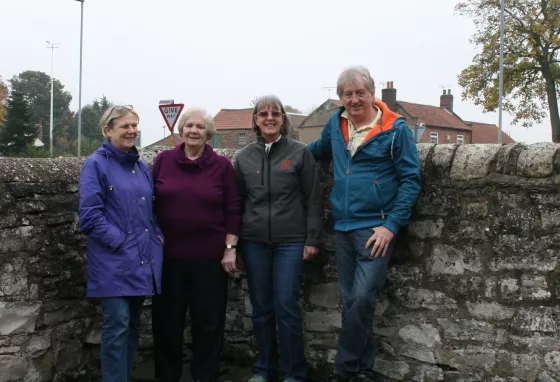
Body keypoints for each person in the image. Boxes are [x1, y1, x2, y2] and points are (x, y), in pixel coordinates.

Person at [308, 66, 422, 382]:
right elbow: (315, 152)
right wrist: (280, 157)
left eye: (360, 93)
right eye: (348, 94)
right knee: (352, 304)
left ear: (372, 93)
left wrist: (391, 226)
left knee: (360, 299)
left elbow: (411, 179)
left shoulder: (395, 129)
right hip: (343, 227)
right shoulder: (336, 123)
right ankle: (364, 370)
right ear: (340, 98)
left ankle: (343, 372)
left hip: (376, 229)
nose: (355, 99)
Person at [234, 95, 323, 382]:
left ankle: (294, 373)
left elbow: (313, 198)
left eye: (275, 113)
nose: (269, 118)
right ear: (256, 120)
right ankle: (264, 369)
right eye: (263, 114)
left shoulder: (300, 153)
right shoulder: (243, 157)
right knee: (261, 308)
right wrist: (233, 246)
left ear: (283, 119)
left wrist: (312, 239)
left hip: (291, 241)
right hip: (254, 242)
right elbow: (236, 203)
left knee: (286, 305)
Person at [151, 107, 241, 382]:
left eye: (200, 127)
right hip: (168, 258)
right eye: (189, 126)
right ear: (181, 131)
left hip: (210, 259)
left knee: (208, 324)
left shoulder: (222, 166)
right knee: (167, 324)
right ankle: (168, 376)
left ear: (209, 133)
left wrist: (230, 249)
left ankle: (205, 376)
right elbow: (148, 202)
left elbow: (234, 208)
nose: (193, 131)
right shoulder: (163, 160)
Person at [78, 105, 164, 382]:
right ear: (107, 130)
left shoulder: (140, 166)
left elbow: (150, 209)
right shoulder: (96, 164)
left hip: (141, 259)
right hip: (112, 261)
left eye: (134, 125)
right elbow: (89, 216)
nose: (131, 131)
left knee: (134, 327)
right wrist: (120, 241)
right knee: (117, 326)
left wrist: (157, 235)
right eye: (125, 126)